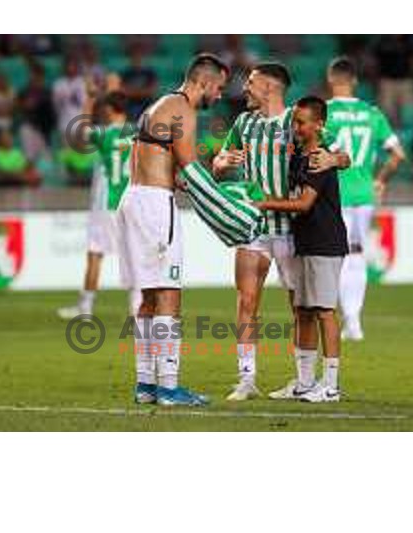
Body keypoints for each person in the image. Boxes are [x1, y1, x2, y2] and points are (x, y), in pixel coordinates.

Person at [213, 62, 350, 401]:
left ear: (270, 87)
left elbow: (342, 155)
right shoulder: (243, 123)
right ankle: (246, 378)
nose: (245, 87)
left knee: (302, 308)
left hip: (293, 229)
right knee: (246, 301)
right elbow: (217, 163)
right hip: (254, 228)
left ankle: (304, 380)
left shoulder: (297, 120)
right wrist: (221, 163)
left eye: (251, 82)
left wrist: (335, 161)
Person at [120, 53, 228, 407]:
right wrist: (229, 207)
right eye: (220, 88)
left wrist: (182, 177)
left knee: (148, 297)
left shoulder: (162, 103)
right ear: (205, 82)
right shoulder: (183, 108)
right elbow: (191, 168)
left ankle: (146, 384)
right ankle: (169, 387)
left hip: (135, 198)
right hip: (153, 205)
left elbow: (170, 165)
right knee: (168, 293)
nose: (222, 95)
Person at [254, 97, 348, 402]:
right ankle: (305, 382)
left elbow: (305, 203)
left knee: (324, 311)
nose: (296, 127)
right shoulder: (299, 157)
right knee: (304, 312)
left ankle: (331, 385)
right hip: (305, 243)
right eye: (294, 121)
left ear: (319, 124)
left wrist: (264, 202)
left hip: (325, 242)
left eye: (302, 122)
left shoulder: (320, 158)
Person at [323, 57, 404, 341]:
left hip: (337, 194)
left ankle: (345, 320)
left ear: (331, 79)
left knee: (335, 256)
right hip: (364, 195)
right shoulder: (372, 113)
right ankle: (354, 323)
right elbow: (397, 155)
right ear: (355, 80)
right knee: (356, 253)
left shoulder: (324, 113)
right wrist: (380, 180)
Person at [57, 92, 141, 320]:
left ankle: (85, 308)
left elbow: (80, 136)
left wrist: (88, 102)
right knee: (133, 255)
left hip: (106, 203)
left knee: (95, 253)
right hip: (130, 201)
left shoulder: (104, 133)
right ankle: (137, 310)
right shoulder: (136, 133)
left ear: (109, 110)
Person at [52, 57, 87, 142]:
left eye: (73, 66)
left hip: (79, 123)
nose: (70, 68)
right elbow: (55, 105)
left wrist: (73, 96)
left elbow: (84, 103)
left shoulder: (82, 82)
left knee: (80, 153)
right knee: (66, 152)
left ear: (77, 67)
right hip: (64, 123)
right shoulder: (58, 84)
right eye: (68, 66)